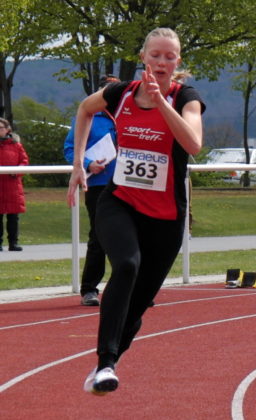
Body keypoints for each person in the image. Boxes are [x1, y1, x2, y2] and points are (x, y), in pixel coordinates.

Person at [67, 27, 205, 395]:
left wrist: (163, 103)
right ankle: (106, 364)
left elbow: (193, 144)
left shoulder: (185, 97)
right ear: (143, 56)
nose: (162, 62)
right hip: (120, 202)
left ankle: (106, 362)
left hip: (165, 217)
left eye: (170, 57)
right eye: (156, 55)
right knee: (126, 264)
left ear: (178, 62)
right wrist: (78, 163)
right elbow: (83, 109)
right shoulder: (120, 93)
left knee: (140, 303)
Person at [64, 74, 120, 306]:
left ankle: (129, 289)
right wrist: (88, 164)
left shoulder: (128, 117)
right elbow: (69, 149)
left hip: (129, 183)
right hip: (98, 184)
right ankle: (89, 289)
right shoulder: (88, 117)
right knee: (99, 236)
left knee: (132, 236)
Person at [0, 118, 29, 251]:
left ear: (7, 129)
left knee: (13, 217)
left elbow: (24, 161)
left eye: (1, 127)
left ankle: (13, 243)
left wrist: (16, 171)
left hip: (12, 186)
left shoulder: (16, 145)